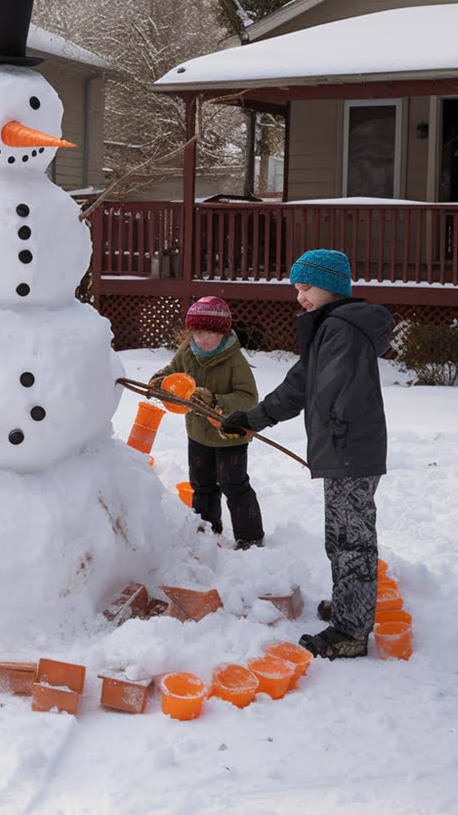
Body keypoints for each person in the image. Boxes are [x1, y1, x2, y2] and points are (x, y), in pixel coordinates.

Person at [222, 249, 393, 660]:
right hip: (342, 448)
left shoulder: (342, 331)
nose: (300, 296)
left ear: (331, 287)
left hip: (348, 449)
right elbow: (299, 386)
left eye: (307, 288)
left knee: (351, 540)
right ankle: (351, 606)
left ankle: (350, 631)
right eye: (297, 289)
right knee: (340, 537)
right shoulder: (329, 327)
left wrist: (330, 438)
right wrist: (254, 418)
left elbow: (332, 391)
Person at [150, 296, 263, 549]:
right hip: (198, 434)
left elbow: (248, 398)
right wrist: (159, 384)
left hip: (229, 435)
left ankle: (251, 537)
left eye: (211, 333)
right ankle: (207, 532)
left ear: (223, 333)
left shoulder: (235, 361)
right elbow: (169, 372)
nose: (203, 339)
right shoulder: (187, 353)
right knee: (202, 485)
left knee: (234, 485)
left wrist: (214, 400)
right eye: (198, 332)